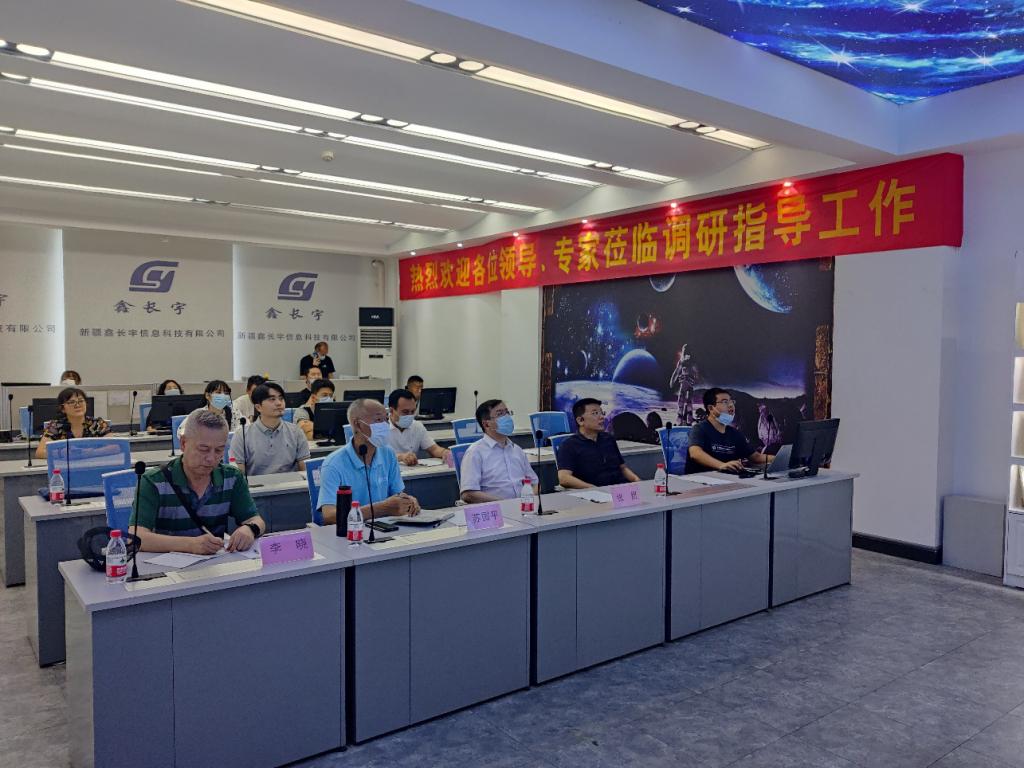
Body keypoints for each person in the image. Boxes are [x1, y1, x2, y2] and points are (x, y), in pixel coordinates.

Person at [130, 409, 265, 554]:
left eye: (219, 450)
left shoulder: (232, 477)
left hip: (215, 562)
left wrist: (250, 529)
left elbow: (256, 520)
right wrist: (190, 545)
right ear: (183, 444)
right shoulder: (153, 481)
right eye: (203, 449)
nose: (211, 458)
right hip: (166, 564)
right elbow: (136, 536)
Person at [316, 399, 420, 525]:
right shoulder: (334, 464)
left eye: (386, 419)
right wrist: (381, 508)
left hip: (385, 527)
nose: (385, 425)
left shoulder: (388, 453)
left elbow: (397, 494)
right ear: (358, 424)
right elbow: (329, 516)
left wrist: (407, 501)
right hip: (351, 531)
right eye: (378, 420)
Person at [460, 399, 538, 503]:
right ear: (486, 424)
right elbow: (468, 493)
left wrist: (528, 501)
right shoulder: (475, 452)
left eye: (507, 412)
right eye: (500, 414)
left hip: (523, 507)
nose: (507, 417)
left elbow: (535, 483)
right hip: (494, 509)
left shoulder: (517, 450)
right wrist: (504, 504)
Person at [556, 398, 640, 489]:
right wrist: (595, 489)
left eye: (602, 413)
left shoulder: (609, 439)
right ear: (580, 420)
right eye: (595, 413)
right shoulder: (569, 445)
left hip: (621, 490)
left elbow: (623, 468)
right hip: (594, 493)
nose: (602, 417)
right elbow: (564, 478)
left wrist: (637, 480)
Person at [230, 382, 309, 475]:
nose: (279, 403)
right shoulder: (242, 435)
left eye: (281, 398)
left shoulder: (296, 432)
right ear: (258, 407)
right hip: (256, 484)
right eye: (272, 399)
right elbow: (238, 475)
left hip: (292, 483)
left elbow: (305, 470)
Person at [686, 388, 772, 473]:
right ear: (711, 408)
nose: (731, 405)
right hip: (702, 479)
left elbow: (756, 457)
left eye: (731, 401)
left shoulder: (735, 434)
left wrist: (779, 459)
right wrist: (721, 465)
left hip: (729, 479)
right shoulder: (699, 429)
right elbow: (695, 453)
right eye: (725, 402)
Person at [36, 387, 111, 458]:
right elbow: (39, 452)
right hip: (65, 465)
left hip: (94, 464)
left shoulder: (98, 424)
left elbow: (115, 446)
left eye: (81, 401)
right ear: (62, 408)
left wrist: (93, 452)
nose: (77, 405)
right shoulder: (55, 426)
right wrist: (61, 453)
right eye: (71, 402)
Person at [386, 388, 452, 466]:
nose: (410, 415)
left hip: (411, 470)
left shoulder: (417, 426)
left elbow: (434, 449)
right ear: (391, 411)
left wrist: (444, 452)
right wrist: (400, 457)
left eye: (412, 411)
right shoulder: (380, 429)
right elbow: (378, 456)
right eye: (405, 412)